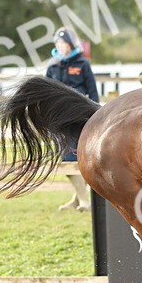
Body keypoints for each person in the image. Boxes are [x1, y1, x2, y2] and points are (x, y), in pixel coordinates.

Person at [45, 27, 98, 211]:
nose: (61, 46)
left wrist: (94, 116)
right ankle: (79, 199)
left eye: (64, 43)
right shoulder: (52, 66)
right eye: (58, 43)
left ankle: (83, 201)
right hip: (60, 120)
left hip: (80, 118)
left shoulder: (83, 64)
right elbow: (46, 93)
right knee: (66, 159)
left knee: (77, 158)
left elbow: (92, 92)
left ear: (71, 44)